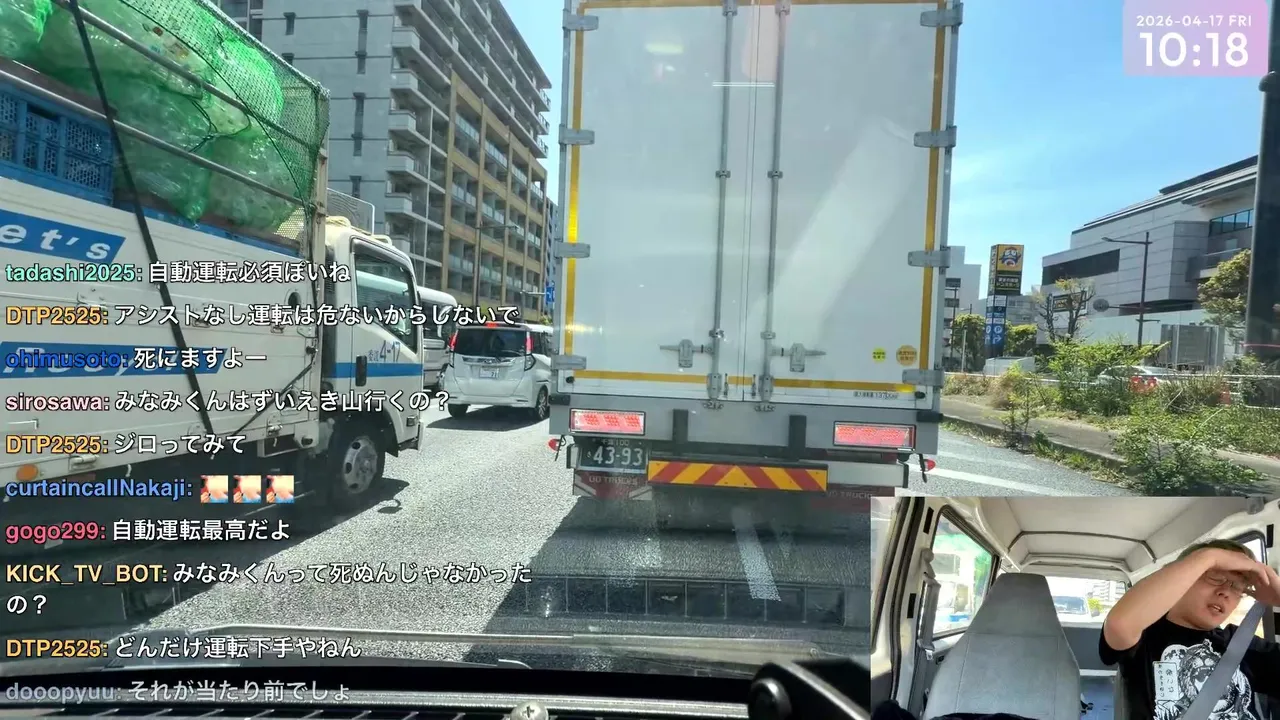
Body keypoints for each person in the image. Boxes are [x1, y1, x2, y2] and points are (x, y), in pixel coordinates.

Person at [1100, 539, 1280, 720]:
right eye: (1215, 577)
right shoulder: (1146, 632)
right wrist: (1210, 557)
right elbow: (1119, 624)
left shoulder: (1240, 642)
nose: (1225, 592)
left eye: (1237, 587)